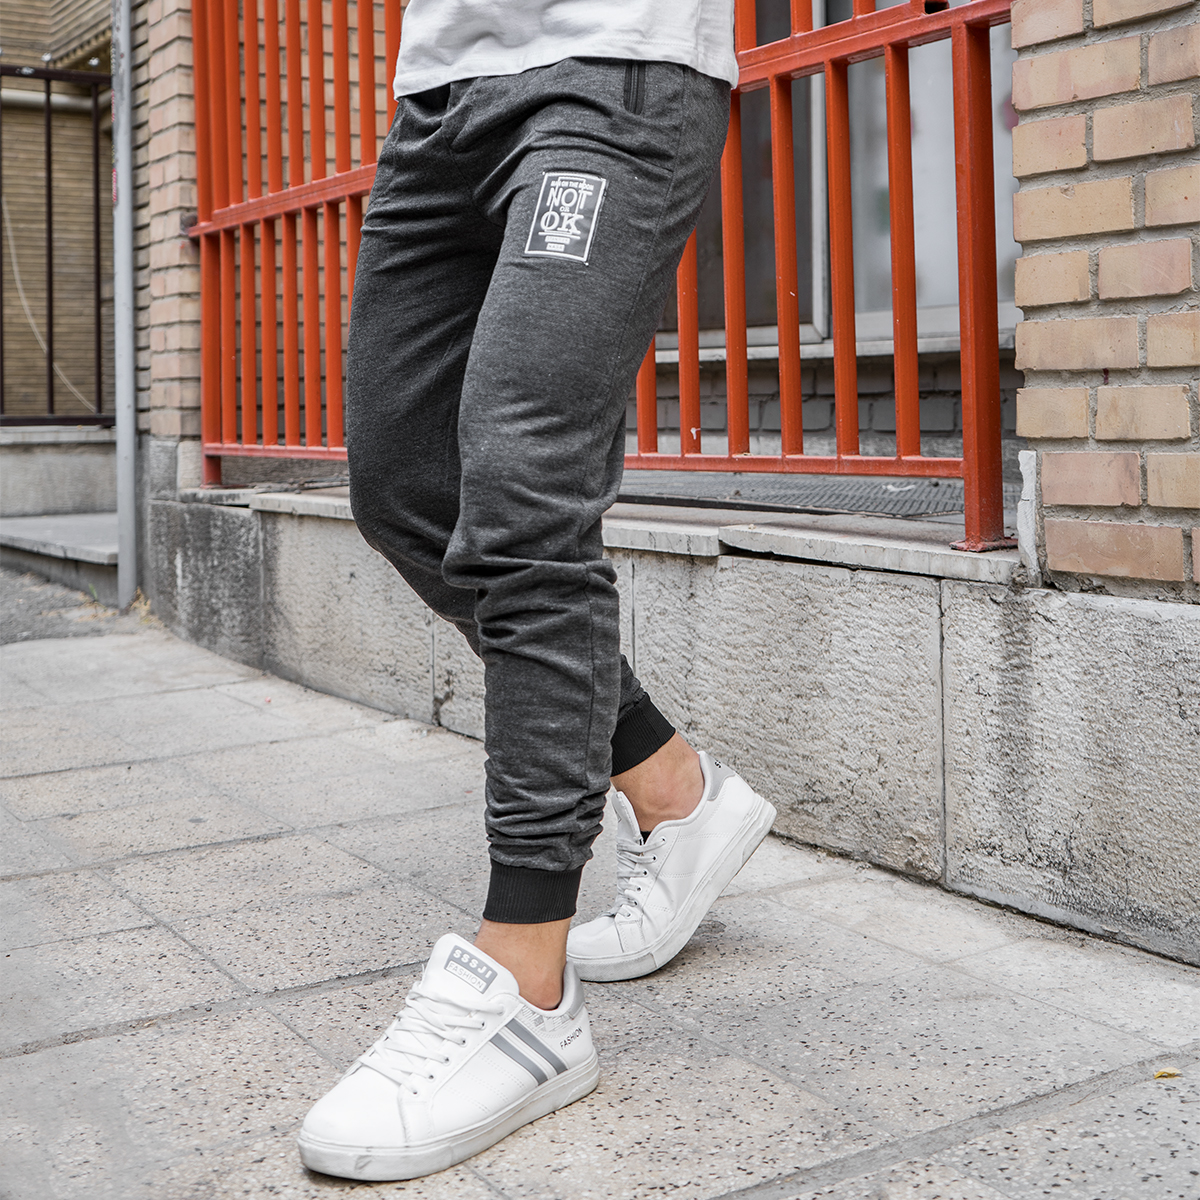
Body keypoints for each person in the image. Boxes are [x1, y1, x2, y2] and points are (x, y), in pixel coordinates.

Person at [297, 0, 775, 1181]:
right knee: (406, 491)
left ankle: (527, 988)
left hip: (611, 70)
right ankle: (670, 786)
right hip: (438, 95)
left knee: (522, 497)